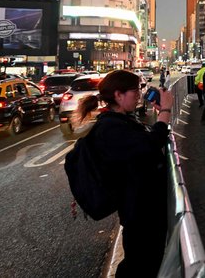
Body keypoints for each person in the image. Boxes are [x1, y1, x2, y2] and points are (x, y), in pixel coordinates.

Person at [74, 70, 174, 277]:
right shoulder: (110, 128)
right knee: (140, 266)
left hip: (143, 209)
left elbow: (145, 146)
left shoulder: (122, 120)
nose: (139, 94)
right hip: (139, 214)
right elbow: (149, 145)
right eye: (135, 90)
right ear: (118, 95)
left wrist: (158, 115)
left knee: (144, 263)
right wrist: (165, 110)